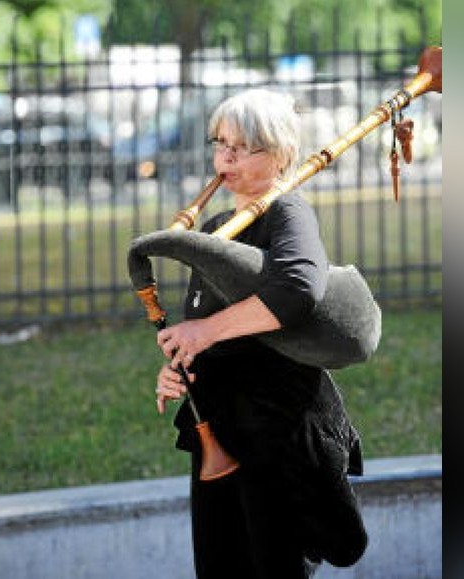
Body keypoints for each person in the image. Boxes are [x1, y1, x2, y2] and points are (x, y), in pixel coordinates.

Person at [154, 89, 368, 578]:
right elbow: (201, 320)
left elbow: (298, 288)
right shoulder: (214, 226)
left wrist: (205, 331)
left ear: (281, 155)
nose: (225, 156)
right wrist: (180, 369)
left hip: (276, 430)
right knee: (220, 564)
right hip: (218, 424)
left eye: (245, 146)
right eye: (220, 142)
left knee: (273, 566)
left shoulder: (286, 212)